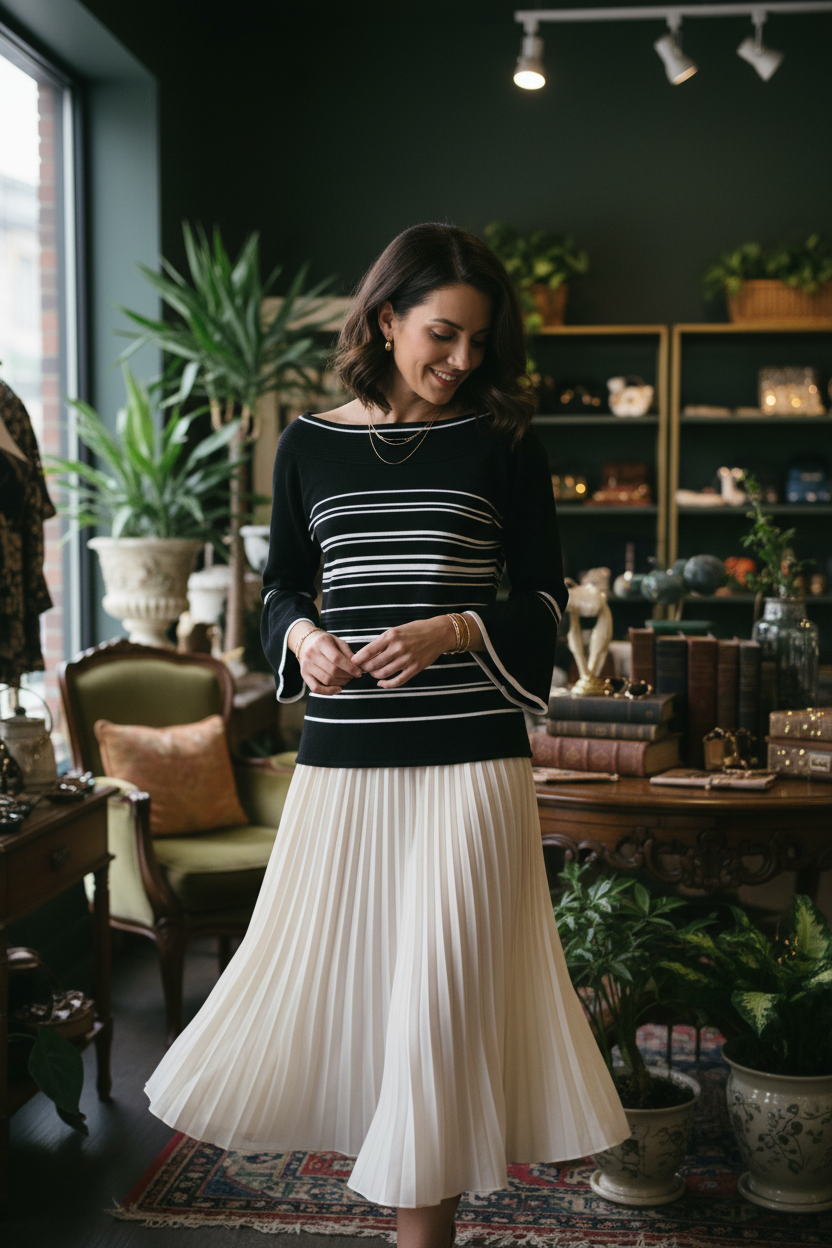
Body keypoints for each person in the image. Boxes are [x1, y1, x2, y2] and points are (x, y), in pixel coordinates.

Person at [145, 223, 629, 1248]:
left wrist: (456, 626)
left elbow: (546, 598)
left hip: (470, 764)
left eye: (477, 343)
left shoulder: (504, 441)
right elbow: (280, 587)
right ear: (384, 320)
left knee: (441, 1009)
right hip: (345, 762)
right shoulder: (306, 444)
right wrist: (305, 636)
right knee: (360, 1001)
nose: (460, 362)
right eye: (441, 336)